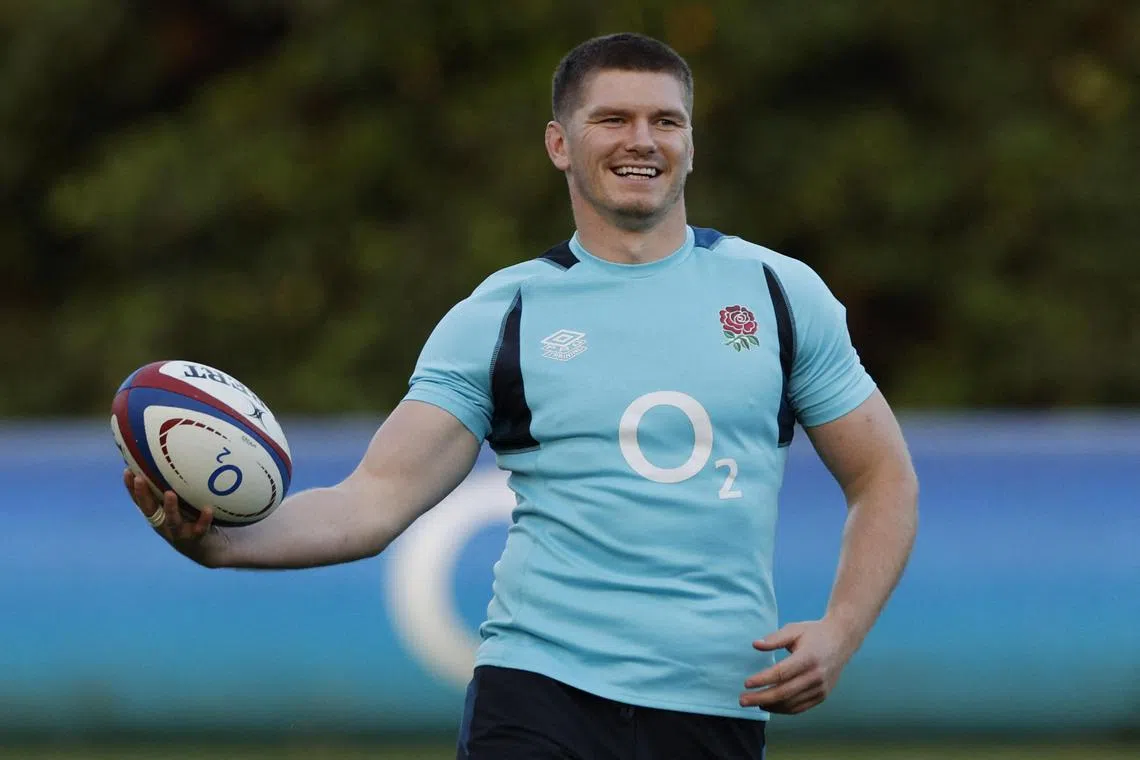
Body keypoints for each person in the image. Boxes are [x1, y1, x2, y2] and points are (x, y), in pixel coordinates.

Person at [125, 32, 918, 760]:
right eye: (612, 118)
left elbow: (883, 478)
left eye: (665, 122)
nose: (641, 140)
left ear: (690, 143)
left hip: (715, 703)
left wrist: (841, 632)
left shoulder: (780, 294)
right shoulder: (501, 314)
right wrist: (222, 546)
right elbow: (373, 500)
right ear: (559, 144)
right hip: (539, 695)